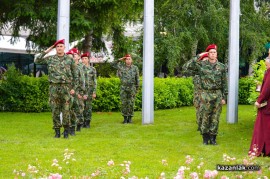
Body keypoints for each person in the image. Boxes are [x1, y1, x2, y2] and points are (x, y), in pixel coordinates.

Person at [183, 44, 227, 145]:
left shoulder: (222, 67)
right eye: (211, 52)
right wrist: (198, 56)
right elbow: (186, 67)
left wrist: (224, 97)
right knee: (205, 116)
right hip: (205, 94)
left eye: (214, 52)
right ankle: (205, 138)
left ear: (217, 54)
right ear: (208, 54)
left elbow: (224, 82)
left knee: (215, 117)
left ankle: (213, 138)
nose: (213, 54)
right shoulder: (201, 65)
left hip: (217, 94)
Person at [34, 39, 78, 138]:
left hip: (66, 88)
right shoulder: (50, 58)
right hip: (53, 88)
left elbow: (76, 75)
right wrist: (48, 49)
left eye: (61, 46)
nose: (59, 48)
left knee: (66, 110)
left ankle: (66, 131)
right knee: (55, 110)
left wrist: (74, 88)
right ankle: (57, 132)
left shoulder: (69, 59)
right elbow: (37, 60)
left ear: (64, 48)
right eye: (57, 46)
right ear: (55, 48)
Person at [249, 57, 270, 156]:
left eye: (266, 65)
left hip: (267, 105)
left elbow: (266, 89)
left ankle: (260, 149)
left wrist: (259, 100)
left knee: (263, 127)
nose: (266, 67)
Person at [182, 53, 208, 132]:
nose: (206, 62)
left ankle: (207, 127)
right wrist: (199, 56)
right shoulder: (196, 70)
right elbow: (185, 67)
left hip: (210, 95)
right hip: (199, 95)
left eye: (207, 60)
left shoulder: (214, 69)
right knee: (199, 111)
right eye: (204, 60)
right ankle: (200, 126)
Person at [111, 54, 140, 124]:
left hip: (132, 87)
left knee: (131, 103)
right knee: (124, 103)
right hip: (123, 87)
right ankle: (125, 118)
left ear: (132, 60)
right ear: (125, 60)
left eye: (129, 59)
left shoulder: (135, 68)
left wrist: (137, 88)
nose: (128, 60)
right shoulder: (121, 67)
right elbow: (112, 64)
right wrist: (120, 59)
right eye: (127, 59)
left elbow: (137, 78)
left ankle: (130, 118)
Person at [68, 48, 86, 135]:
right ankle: (71, 127)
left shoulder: (79, 67)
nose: (73, 57)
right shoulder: (68, 66)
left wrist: (81, 93)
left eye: (74, 55)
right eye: (72, 56)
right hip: (69, 91)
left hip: (77, 91)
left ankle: (78, 124)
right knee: (69, 110)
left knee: (78, 109)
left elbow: (82, 81)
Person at [81, 52, 97, 128]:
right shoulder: (79, 69)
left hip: (90, 90)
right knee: (81, 106)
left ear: (88, 59)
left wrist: (94, 92)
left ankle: (88, 122)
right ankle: (82, 122)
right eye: (83, 58)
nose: (84, 60)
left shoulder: (92, 69)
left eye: (85, 58)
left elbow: (95, 81)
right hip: (82, 91)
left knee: (88, 107)